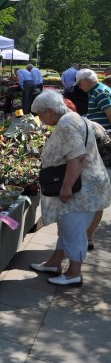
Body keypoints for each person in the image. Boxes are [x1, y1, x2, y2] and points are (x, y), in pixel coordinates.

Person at [29, 90, 111, 286]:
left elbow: (77, 156)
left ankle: (74, 273)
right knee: (66, 228)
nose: (40, 119)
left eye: (40, 114)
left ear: (50, 111)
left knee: (73, 230)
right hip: (87, 184)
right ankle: (54, 262)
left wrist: (66, 187)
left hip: (80, 188)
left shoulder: (66, 123)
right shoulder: (74, 117)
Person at [73, 68, 111, 250]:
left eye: (80, 83)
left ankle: (88, 236)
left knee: (97, 192)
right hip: (99, 146)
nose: (79, 87)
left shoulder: (101, 92)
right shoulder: (96, 91)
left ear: (87, 81)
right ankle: (87, 235)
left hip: (103, 149)